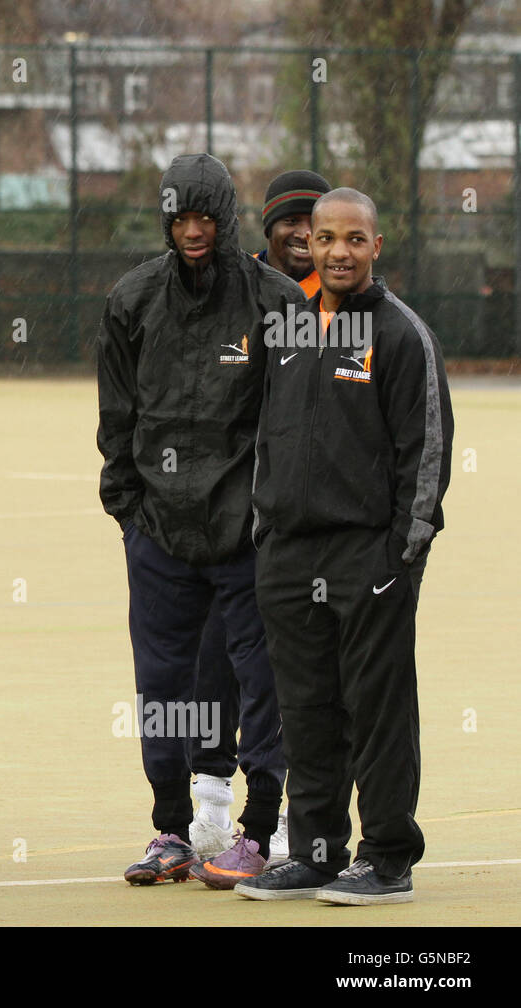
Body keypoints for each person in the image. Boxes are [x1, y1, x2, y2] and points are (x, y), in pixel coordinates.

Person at [236, 188, 452, 904]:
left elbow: (425, 458)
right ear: (308, 245)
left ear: (376, 246)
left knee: (376, 709)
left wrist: (399, 561)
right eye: (325, 238)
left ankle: (388, 857)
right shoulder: (287, 329)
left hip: (369, 561)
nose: (337, 251)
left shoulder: (400, 335)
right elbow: (267, 437)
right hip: (290, 559)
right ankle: (319, 853)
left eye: (354, 239)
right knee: (307, 710)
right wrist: (266, 539)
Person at [97, 153, 297, 886]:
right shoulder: (131, 300)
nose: (191, 231)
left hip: (246, 537)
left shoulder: (275, 304)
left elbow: (291, 425)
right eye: (180, 218)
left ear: (226, 218)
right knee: (161, 686)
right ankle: (170, 830)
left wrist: (268, 516)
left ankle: (258, 832)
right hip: (158, 534)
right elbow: (115, 419)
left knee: (261, 681)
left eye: (205, 218)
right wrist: (128, 511)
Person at [188, 170, 331, 867]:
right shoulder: (233, 295)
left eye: (318, 224)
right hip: (231, 525)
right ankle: (208, 807)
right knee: (213, 660)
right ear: (267, 228)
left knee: (302, 674)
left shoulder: (348, 305)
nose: (303, 235)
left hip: (311, 530)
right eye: (292, 222)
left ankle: (280, 820)